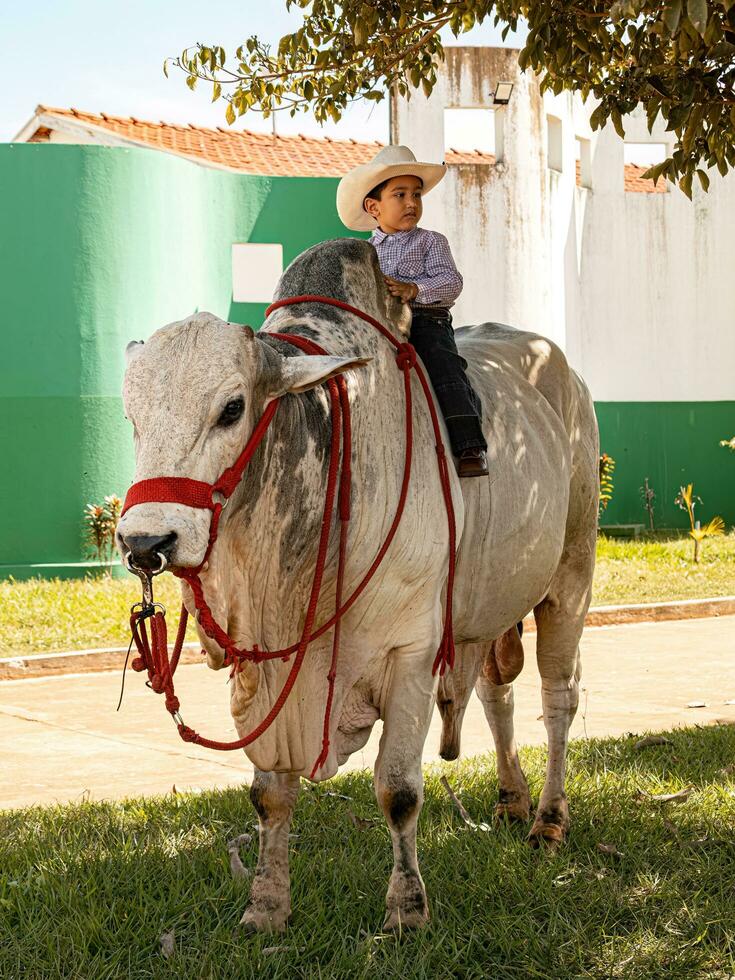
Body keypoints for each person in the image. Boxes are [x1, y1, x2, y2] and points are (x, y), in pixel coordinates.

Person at [336, 145, 489, 478]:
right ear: (373, 206)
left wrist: (414, 290)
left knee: (444, 367)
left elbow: (451, 282)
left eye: (416, 195)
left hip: (425, 322)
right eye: (400, 194)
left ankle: (469, 444)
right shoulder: (363, 252)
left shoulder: (431, 242)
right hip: (377, 328)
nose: (411, 203)